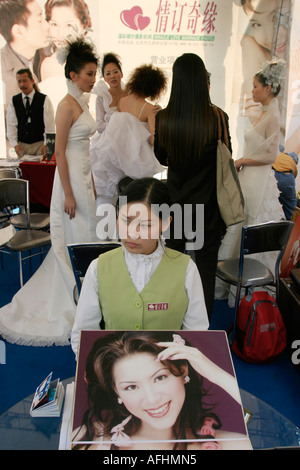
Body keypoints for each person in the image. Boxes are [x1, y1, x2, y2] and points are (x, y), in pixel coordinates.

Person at [0, 37, 100, 347]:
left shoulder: (83, 103)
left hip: (85, 179)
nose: (93, 79)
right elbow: (60, 154)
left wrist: (91, 184)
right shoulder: (66, 106)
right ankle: (74, 303)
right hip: (69, 183)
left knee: (89, 237)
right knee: (75, 238)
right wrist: (68, 194)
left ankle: (88, 301)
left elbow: (84, 152)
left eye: (95, 73)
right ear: (73, 75)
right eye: (88, 74)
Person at [71, 177, 209, 358]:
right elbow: (83, 334)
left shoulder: (187, 270)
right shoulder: (99, 268)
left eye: (145, 224)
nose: (132, 233)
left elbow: (197, 335)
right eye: (126, 221)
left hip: (168, 374)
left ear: (166, 223)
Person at [71, 331, 251, 450]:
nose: (152, 399)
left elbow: (270, 425)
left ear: (183, 371)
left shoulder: (229, 444)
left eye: (160, 377)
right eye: (131, 387)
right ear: (116, 392)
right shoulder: (92, 441)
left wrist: (217, 374)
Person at [154, 53, 230, 320]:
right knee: (205, 272)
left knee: (174, 267)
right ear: (202, 80)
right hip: (208, 209)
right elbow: (226, 156)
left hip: (175, 207)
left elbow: (162, 158)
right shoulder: (217, 116)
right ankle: (203, 327)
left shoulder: (164, 118)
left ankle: (173, 319)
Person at [217, 58, 286, 300]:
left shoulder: (273, 115)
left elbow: (271, 154)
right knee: (242, 224)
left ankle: (253, 293)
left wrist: (243, 161)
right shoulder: (267, 112)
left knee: (252, 225)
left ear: (268, 88)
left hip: (259, 182)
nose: (252, 90)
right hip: (250, 181)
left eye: (256, 86)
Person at [91, 64, 167, 210]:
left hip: (117, 156)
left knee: (115, 198)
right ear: (154, 88)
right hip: (137, 160)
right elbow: (153, 139)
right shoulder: (150, 109)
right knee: (137, 198)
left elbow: (117, 129)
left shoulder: (122, 101)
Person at [89, 52, 126, 202]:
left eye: (115, 72)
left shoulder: (129, 93)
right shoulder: (101, 95)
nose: (112, 76)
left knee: (127, 184)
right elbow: (99, 124)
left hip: (126, 140)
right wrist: (114, 125)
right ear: (104, 77)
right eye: (108, 73)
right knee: (108, 184)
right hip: (106, 142)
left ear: (121, 74)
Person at [0, 0, 49, 112]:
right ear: (18, 31)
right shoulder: (4, 76)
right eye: (39, 20)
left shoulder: (42, 57)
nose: (47, 25)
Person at [6, 68, 55, 158]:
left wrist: (47, 144)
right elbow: (11, 125)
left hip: (40, 145)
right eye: (19, 81)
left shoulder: (44, 99)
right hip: (22, 146)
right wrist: (15, 144)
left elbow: (50, 125)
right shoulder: (14, 101)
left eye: (24, 81)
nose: (22, 84)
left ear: (32, 81)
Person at [273, 148, 298, 220]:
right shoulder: (292, 165)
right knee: (292, 211)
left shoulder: (280, 155)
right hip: (287, 176)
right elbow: (292, 178)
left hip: (272, 173)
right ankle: (293, 228)